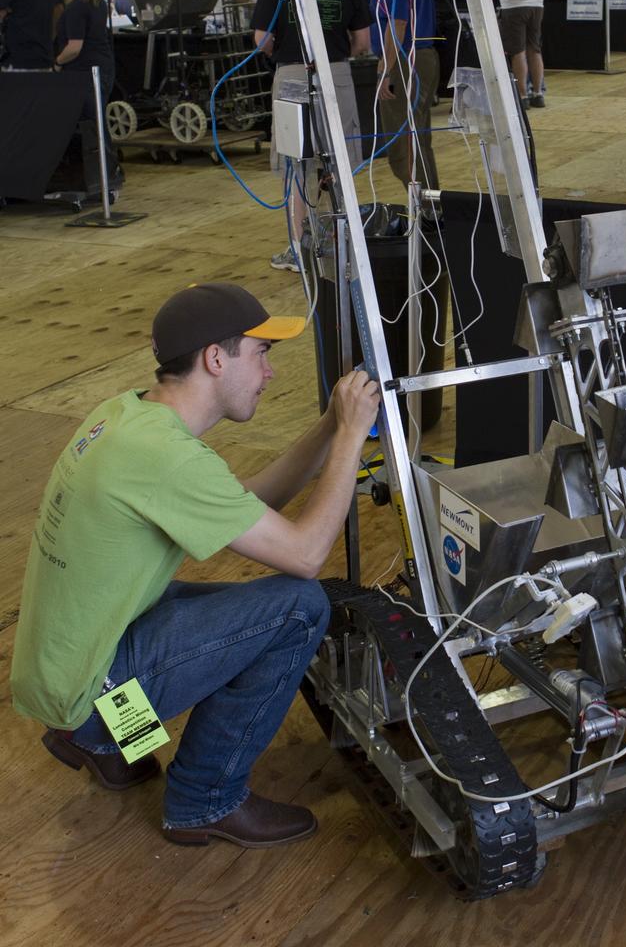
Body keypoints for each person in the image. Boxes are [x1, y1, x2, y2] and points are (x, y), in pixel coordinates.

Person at [11, 281, 380, 847]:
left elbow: (251, 504)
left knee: (190, 603)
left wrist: (331, 424)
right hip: (91, 690)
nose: (270, 373)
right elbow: (305, 556)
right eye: (261, 355)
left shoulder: (129, 416)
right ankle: (203, 798)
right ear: (216, 358)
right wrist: (355, 436)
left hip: (67, 669)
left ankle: (96, 739)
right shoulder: (166, 458)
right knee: (300, 608)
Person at [252, 0, 371, 272]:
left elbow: (261, 39)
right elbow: (363, 42)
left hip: (290, 73)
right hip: (335, 72)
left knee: (296, 165)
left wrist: (280, 54)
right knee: (339, 160)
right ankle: (340, 240)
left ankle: (299, 249)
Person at [363, 0, 440, 195]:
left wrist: (385, 68)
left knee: (401, 145)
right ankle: (430, 208)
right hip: (417, 57)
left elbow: (397, 24)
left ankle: (426, 208)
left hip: (406, 59)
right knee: (416, 139)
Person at [54, 0, 115, 108]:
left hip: (84, 71)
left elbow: (74, 47)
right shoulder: (98, 2)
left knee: (88, 123)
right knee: (96, 122)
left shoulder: (76, 7)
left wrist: (57, 63)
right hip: (103, 67)